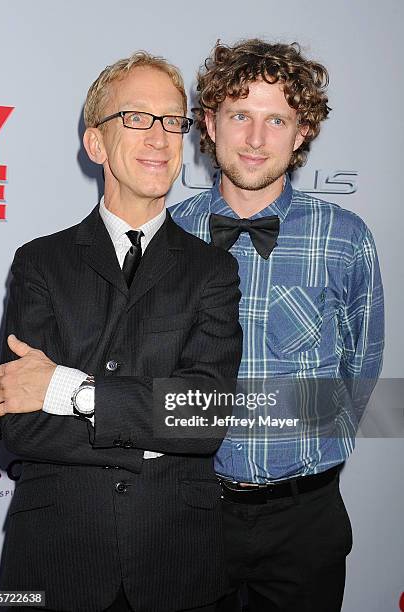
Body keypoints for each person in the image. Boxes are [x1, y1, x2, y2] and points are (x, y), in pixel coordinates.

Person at [0, 52, 242, 612]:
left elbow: (204, 418)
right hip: (56, 557)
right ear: (95, 144)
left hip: (176, 560)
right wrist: (149, 439)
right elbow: (22, 427)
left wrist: (67, 392)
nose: (159, 137)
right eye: (136, 118)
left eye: (172, 120)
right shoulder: (39, 263)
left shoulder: (213, 271)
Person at [169, 39, 384, 612]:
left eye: (277, 119)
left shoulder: (346, 237)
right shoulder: (167, 236)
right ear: (210, 124)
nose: (257, 139)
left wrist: (315, 446)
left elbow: (363, 361)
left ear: (303, 131)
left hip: (304, 522)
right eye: (240, 115)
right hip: (188, 513)